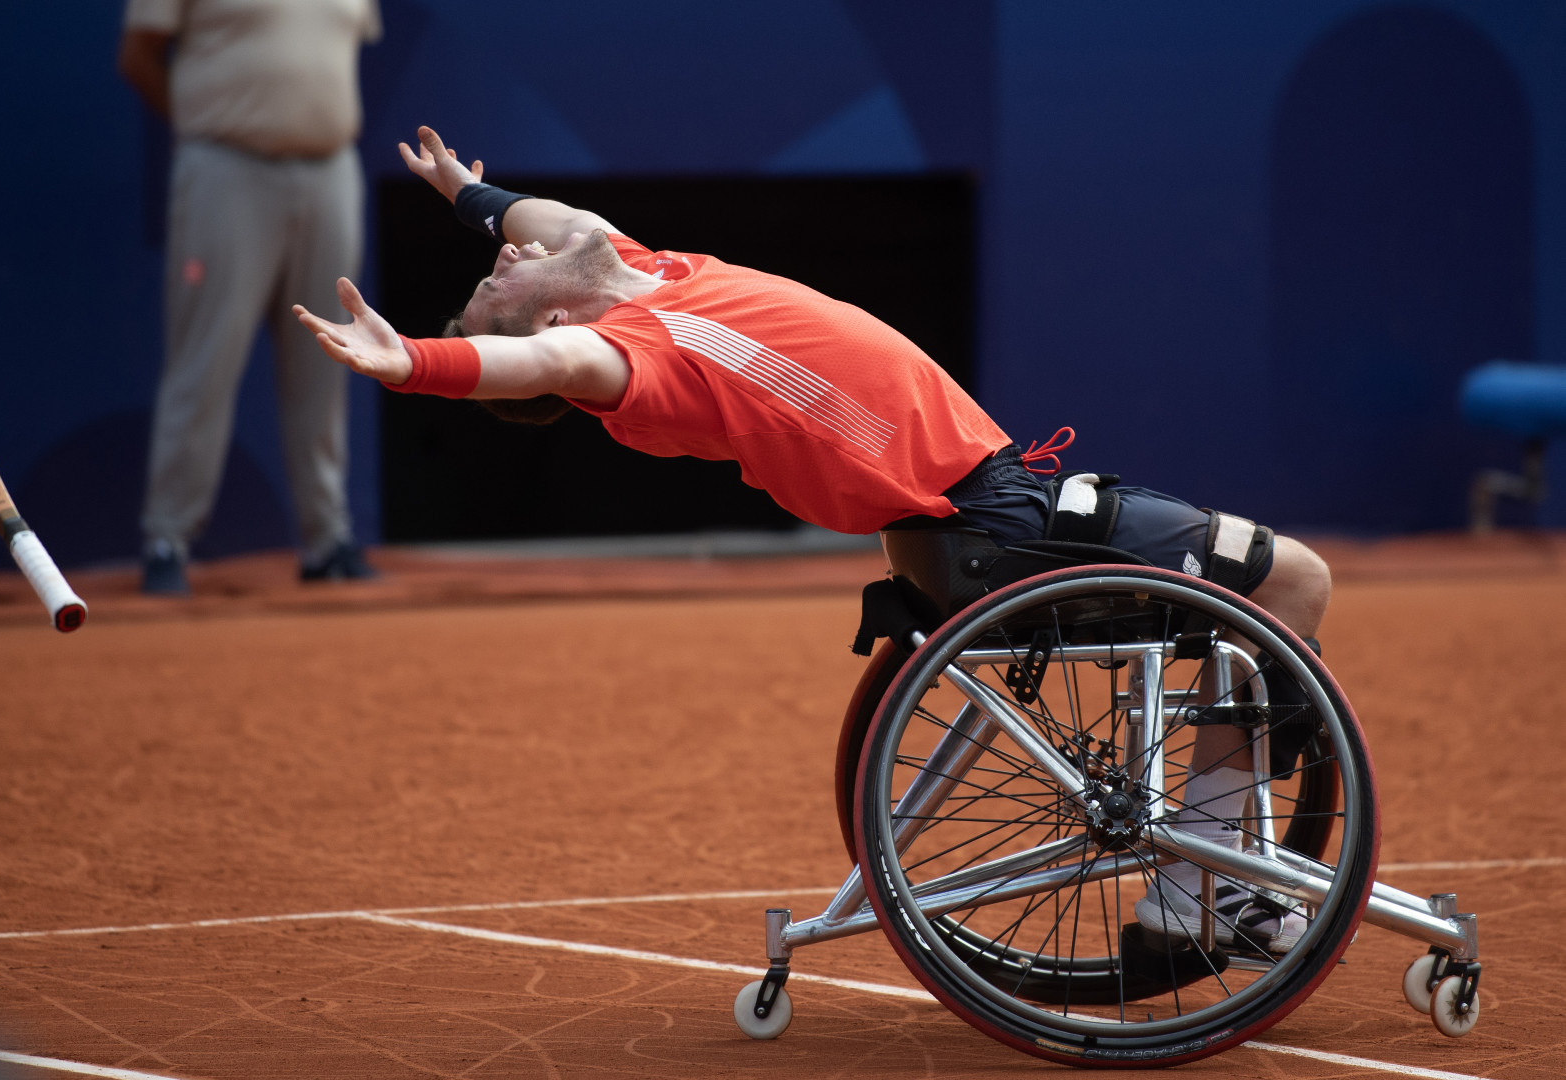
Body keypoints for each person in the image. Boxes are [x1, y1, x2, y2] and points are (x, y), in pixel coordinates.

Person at [294, 126, 1336, 953]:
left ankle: (1211, 868)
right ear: (545, 321)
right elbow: (542, 367)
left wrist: (466, 197)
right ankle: (1205, 885)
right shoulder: (624, 356)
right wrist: (415, 365)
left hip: (992, 504)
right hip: (995, 524)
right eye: (495, 282)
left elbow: (555, 222)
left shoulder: (650, 270)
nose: (506, 254)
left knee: (1262, 615)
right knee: (1292, 582)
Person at [118, 0, 382, 595]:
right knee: (204, 361)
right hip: (225, 168)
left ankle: (328, 540)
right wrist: (205, 122)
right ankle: (168, 539)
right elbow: (137, 56)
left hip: (332, 170)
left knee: (332, 357)